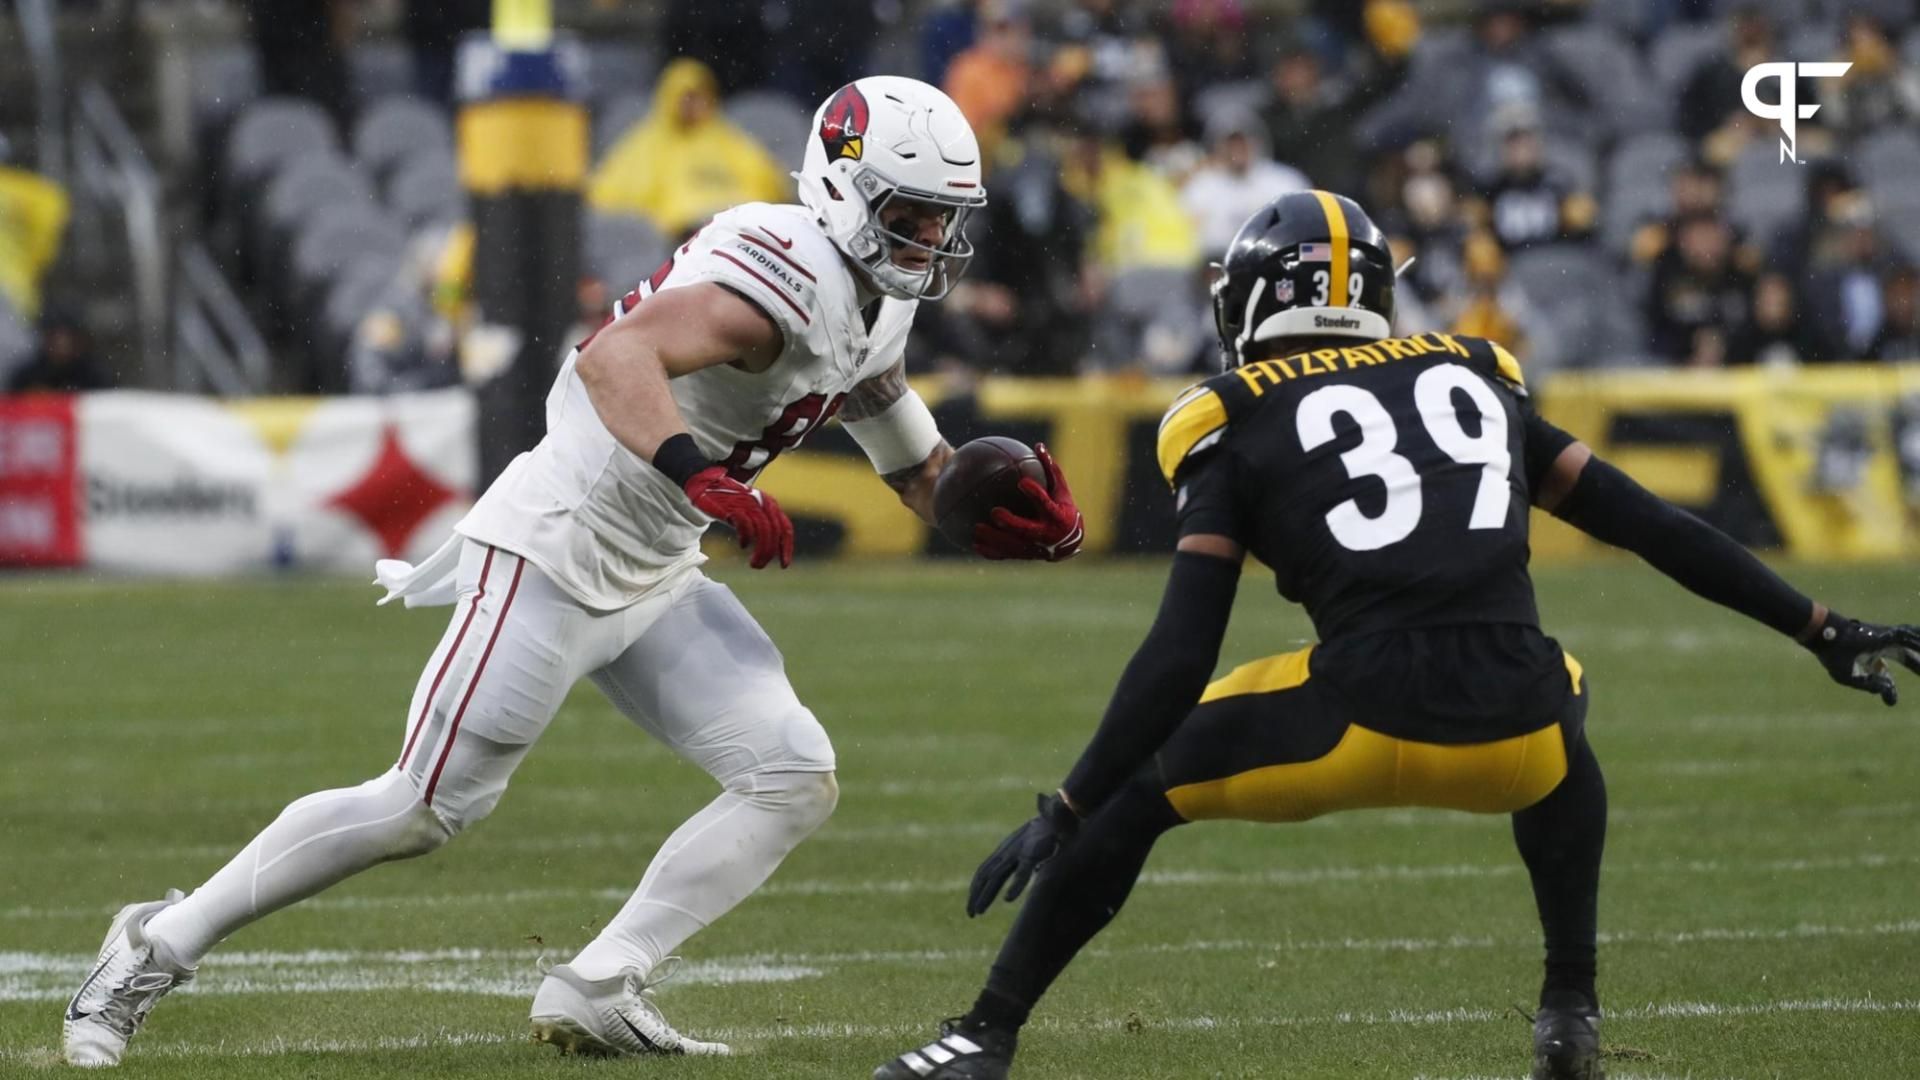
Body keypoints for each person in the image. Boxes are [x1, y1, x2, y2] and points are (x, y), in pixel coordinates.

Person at [63, 76, 1088, 1068]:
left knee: (790, 774)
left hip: (656, 566)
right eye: (908, 215)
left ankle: (600, 985)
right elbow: (614, 360)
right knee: (423, 805)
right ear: (841, 186)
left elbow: (907, 451)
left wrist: (989, 512)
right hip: (559, 547)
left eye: (941, 219)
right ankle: (154, 944)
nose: (929, 242)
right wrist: (705, 480)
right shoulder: (790, 271)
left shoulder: (870, 297)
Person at [874, 190, 1920, 1080]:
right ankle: (1569, 1008)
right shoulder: (1479, 373)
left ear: (1255, 302)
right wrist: (1816, 623)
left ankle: (983, 1036)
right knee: (1564, 695)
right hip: (1517, 739)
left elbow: (1182, 651)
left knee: (1138, 789)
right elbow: (1650, 524)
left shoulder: (1228, 414)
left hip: (1350, 718)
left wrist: (1072, 800)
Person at [586, 58, 789, 240]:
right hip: (682, 233)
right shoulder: (648, 142)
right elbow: (612, 193)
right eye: (686, 96)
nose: (692, 105)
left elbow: (770, 180)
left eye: (699, 96)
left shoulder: (728, 138)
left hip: (739, 227)